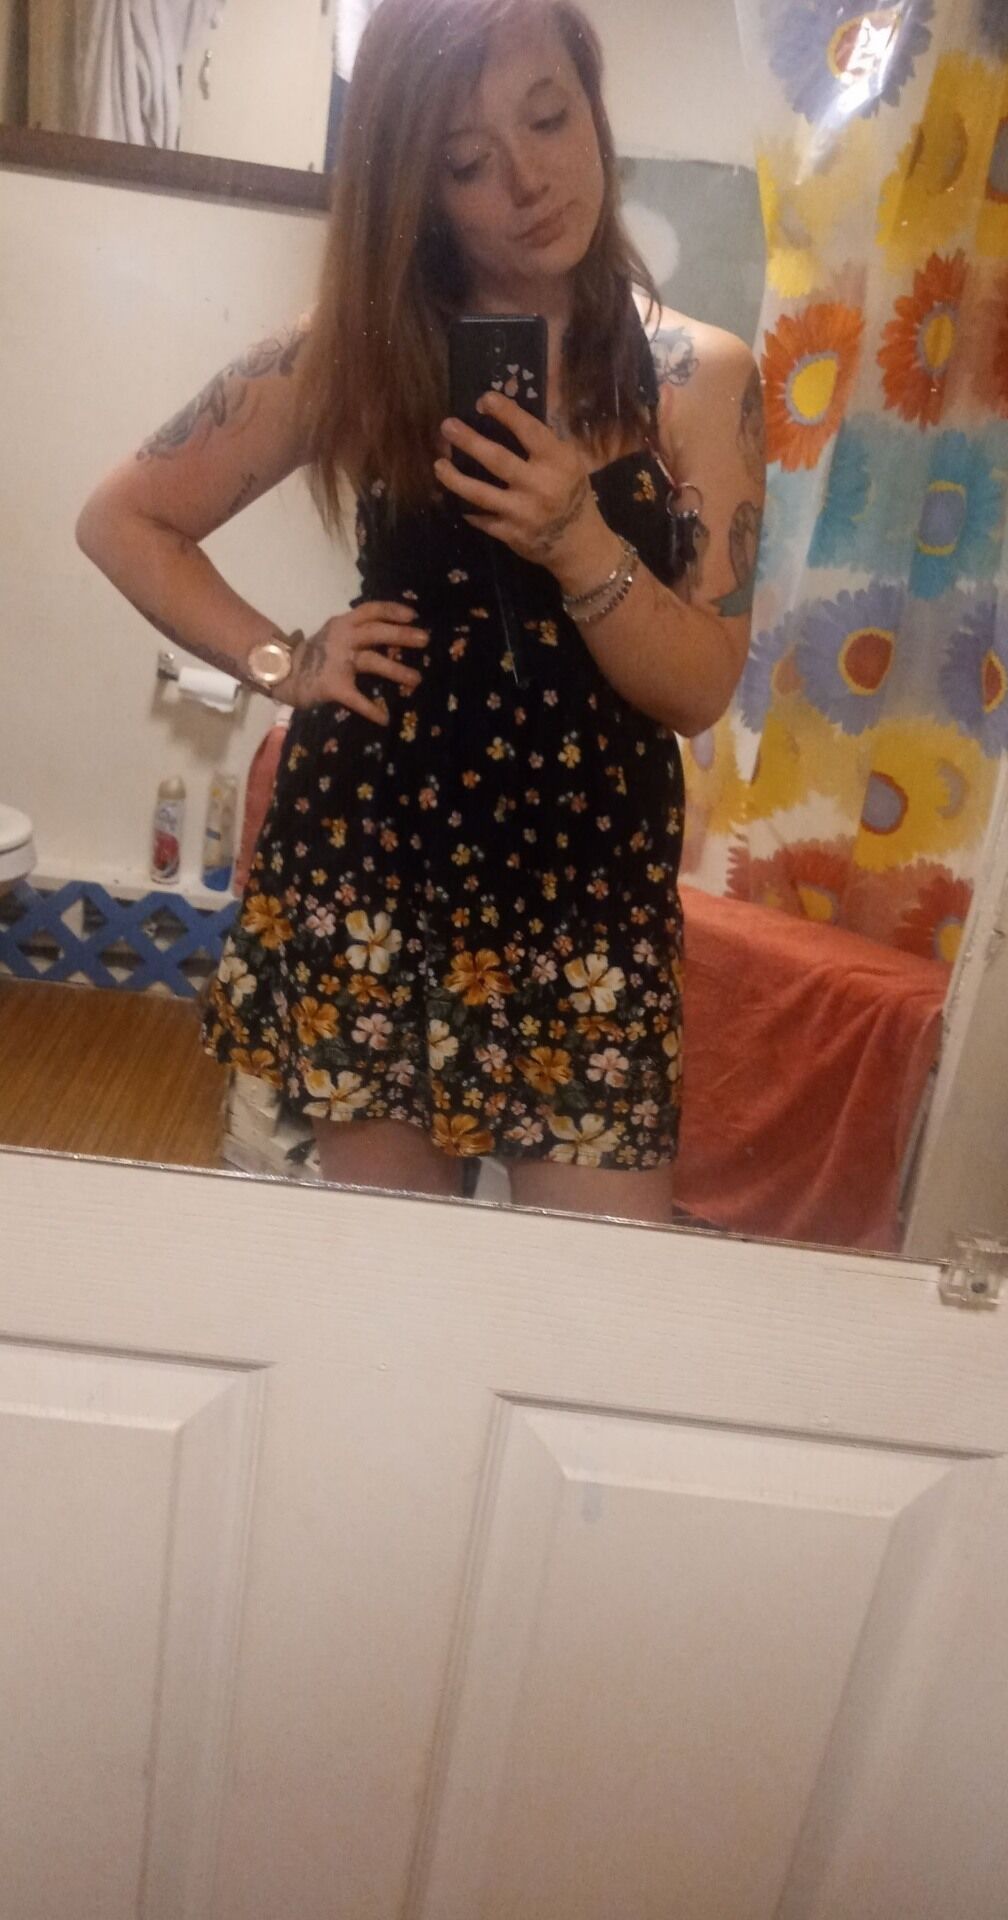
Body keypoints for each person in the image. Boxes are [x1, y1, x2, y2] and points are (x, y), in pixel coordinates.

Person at [76, 0, 764, 1224]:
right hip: (380, 853)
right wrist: (284, 659)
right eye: (464, 162)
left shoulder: (697, 379)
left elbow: (699, 687)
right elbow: (124, 519)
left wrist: (575, 536)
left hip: (588, 885)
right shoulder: (354, 354)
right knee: (393, 1278)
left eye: (547, 119)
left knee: (587, 1288)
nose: (527, 180)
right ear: (417, 191)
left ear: (591, 109)